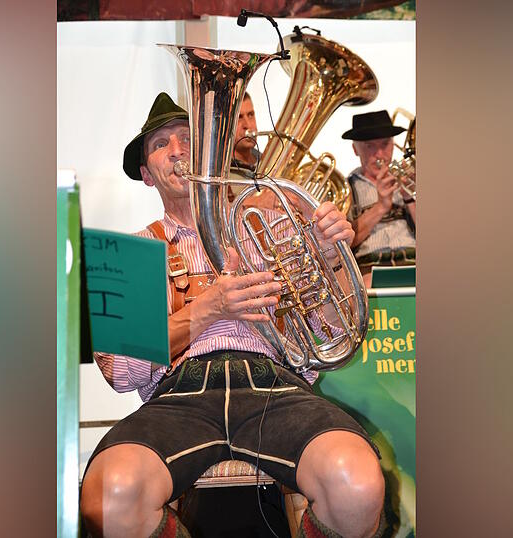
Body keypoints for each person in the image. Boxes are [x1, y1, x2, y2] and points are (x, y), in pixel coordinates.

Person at [80, 92, 386, 538]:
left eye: (187, 139)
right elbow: (121, 373)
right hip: (178, 399)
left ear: (210, 155)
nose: (178, 150)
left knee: (356, 485)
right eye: (161, 144)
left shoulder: (269, 226)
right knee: (109, 498)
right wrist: (206, 310)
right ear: (147, 174)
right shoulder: (134, 250)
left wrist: (332, 256)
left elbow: (333, 332)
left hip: (275, 388)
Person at [342, 110, 417, 287]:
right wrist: (381, 207)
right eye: (370, 146)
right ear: (355, 149)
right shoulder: (345, 189)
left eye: (385, 144)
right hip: (369, 269)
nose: (380, 154)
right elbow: (343, 245)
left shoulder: (410, 180)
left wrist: (410, 198)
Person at [231, 92, 261, 174]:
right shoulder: (224, 171)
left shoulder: (264, 158)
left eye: (250, 115)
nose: (248, 125)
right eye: (239, 117)